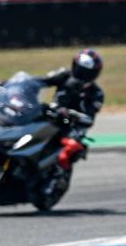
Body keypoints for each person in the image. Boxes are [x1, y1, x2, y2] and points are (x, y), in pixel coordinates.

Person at [36, 48, 105, 195]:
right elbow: (41, 81)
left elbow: (89, 118)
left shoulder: (96, 93)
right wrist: (14, 85)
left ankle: (57, 178)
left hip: (73, 126)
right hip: (53, 115)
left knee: (69, 147)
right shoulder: (63, 74)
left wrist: (73, 115)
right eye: (79, 70)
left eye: (86, 72)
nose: (81, 75)